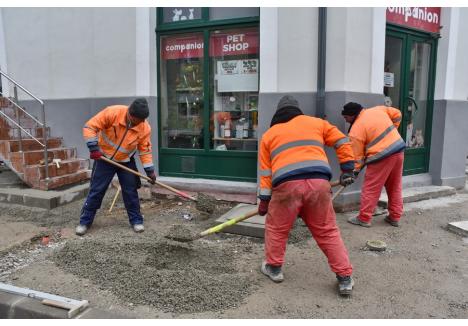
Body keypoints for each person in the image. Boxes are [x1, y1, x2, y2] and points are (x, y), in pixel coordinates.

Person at [258, 95, 356, 296]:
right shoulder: (316, 123)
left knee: (277, 228)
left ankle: (274, 268)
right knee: (327, 231)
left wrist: (264, 201)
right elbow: (342, 141)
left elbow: (266, 174)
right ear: (297, 110)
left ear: (278, 113)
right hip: (318, 183)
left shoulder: (269, 135)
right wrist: (347, 168)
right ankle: (344, 278)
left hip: (286, 186)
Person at [75, 98, 156, 236]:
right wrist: (93, 148)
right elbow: (89, 127)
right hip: (104, 158)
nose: (137, 124)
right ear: (130, 113)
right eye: (135, 120)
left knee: (130, 192)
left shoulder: (144, 127)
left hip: (126, 161)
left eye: (141, 121)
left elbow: (145, 150)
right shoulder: (112, 112)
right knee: (97, 190)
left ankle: (136, 220)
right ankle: (85, 222)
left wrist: (150, 171)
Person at [341, 102, 405, 228]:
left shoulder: (355, 131)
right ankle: (395, 217)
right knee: (395, 186)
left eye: (346, 118)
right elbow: (398, 114)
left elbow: (357, 157)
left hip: (381, 157)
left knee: (371, 188)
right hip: (398, 150)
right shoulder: (378, 109)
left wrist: (354, 172)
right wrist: (393, 132)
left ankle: (364, 218)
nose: (346, 121)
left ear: (352, 115)